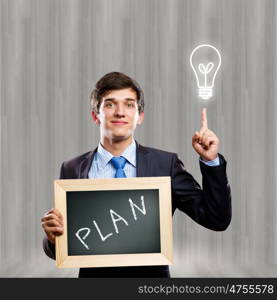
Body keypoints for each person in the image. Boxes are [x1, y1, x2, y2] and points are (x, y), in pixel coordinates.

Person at [41, 71, 231, 278]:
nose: (120, 112)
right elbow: (67, 245)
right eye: (110, 104)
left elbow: (216, 219)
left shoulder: (164, 165)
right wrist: (52, 239)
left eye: (129, 104)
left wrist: (211, 161)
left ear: (140, 116)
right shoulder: (72, 169)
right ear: (95, 115)